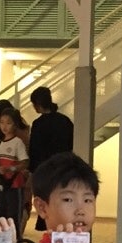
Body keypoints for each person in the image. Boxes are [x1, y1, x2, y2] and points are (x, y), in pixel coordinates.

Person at [27, 87, 73, 232]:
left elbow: (34, 150)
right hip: (63, 169)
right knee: (62, 199)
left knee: (46, 201)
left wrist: (32, 172)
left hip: (44, 170)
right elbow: (71, 144)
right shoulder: (65, 121)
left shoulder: (38, 124)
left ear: (37, 104)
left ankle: (49, 231)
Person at [0, 109, 29, 243]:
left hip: (14, 186)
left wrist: (12, 169)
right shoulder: (0, 143)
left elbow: (25, 162)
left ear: (15, 124)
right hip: (1, 187)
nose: (5, 126)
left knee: (14, 218)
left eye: (9, 123)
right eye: (2, 123)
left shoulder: (17, 142)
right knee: (1, 216)